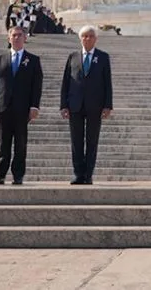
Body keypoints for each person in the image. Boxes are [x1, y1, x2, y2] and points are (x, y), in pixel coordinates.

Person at [0, 25, 42, 185]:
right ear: (9, 38)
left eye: (19, 35)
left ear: (25, 38)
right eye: (14, 35)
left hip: (22, 108)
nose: (16, 38)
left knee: (20, 143)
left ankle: (18, 175)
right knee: (3, 143)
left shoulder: (33, 60)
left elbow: (36, 85)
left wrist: (34, 106)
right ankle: (0, 174)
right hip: (3, 107)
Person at [61, 25, 112, 184]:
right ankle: (78, 174)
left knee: (92, 141)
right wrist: (63, 105)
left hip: (95, 105)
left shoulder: (103, 57)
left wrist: (108, 105)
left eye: (90, 36)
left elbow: (107, 82)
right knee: (76, 141)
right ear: (80, 39)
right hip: (75, 104)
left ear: (96, 39)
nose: (87, 39)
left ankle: (88, 174)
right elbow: (66, 82)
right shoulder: (73, 57)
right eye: (84, 36)